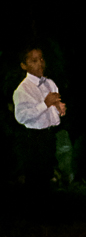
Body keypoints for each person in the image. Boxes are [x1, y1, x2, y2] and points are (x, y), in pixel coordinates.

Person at [12, 47, 65, 190]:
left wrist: (58, 108)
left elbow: (53, 109)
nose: (40, 63)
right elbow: (21, 116)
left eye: (41, 59)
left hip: (49, 135)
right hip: (33, 139)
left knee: (47, 174)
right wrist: (45, 104)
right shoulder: (22, 90)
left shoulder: (50, 83)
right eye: (34, 61)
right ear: (24, 66)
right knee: (35, 178)